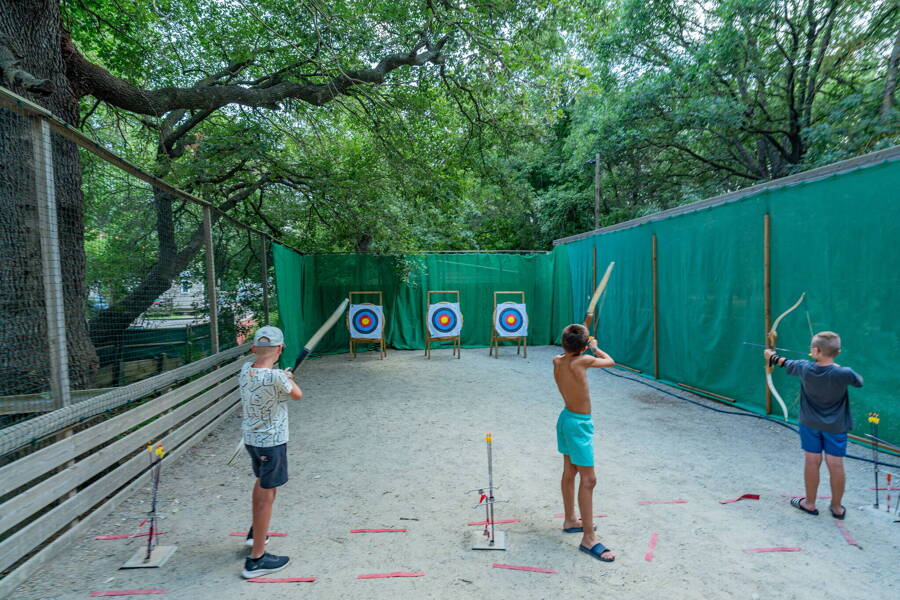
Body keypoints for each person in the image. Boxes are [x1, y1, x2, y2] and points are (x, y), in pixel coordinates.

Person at [765, 331, 863, 520]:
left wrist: (770, 354)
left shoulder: (803, 367)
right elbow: (859, 382)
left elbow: (781, 361)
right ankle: (836, 508)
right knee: (835, 464)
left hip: (809, 424)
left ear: (816, 350)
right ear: (838, 352)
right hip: (836, 426)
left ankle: (809, 503)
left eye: (812, 348)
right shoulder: (845, 373)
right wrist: (837, 367)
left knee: (812, 461)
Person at [239, 325, 303, 578]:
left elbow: (267, 379)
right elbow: (297, 395)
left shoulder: (246, 370)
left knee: (263, 484)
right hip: (272, 443)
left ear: (254, 349)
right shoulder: (277, 377)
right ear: (280, 349)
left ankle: (257, 533)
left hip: (253, 442)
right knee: (267, 493)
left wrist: (283, 376)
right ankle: (256, 559)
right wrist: (286, 378)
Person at [553, 323, 616, 562]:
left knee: (570, 471)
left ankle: (571, 519)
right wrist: (595, 347)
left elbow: (569, 352)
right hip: (579, 425)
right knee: (589, 480)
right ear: (582, 346)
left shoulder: (557, 360)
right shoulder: (583, 361)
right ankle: (589, 538)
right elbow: (610, 362)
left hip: (566, 419)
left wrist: (580, 342)